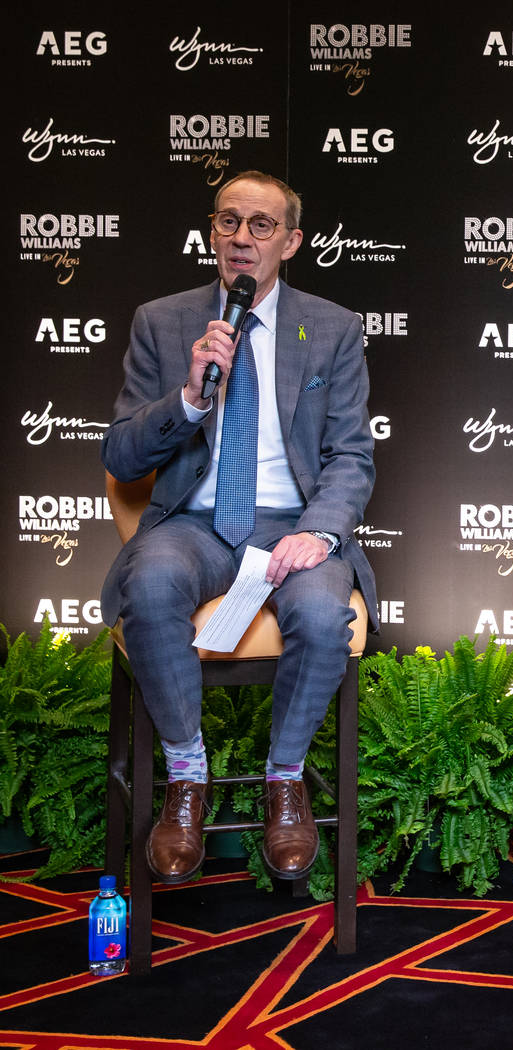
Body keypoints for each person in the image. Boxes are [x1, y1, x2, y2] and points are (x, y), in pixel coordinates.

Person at [101, 170, 376, 885]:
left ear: (291, 241)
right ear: (212, 232)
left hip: (293, 525)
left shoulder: (335, 329)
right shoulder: (161, 321)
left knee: (322, 615)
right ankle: (187, 780)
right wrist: (188, 399)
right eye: (228, 222)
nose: (241, 239)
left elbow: (350, 456)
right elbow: (122, 454)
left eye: (260, 226)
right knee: (152, 578)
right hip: (193, 522)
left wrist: (318, 533)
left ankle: (284, 781)